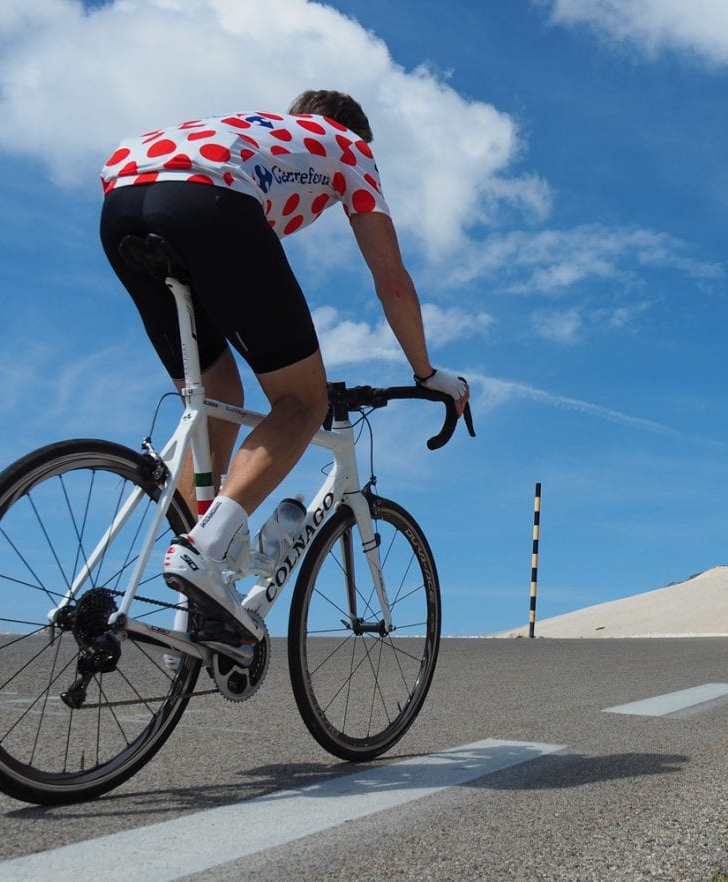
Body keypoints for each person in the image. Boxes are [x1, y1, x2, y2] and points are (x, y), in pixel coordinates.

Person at [98, 90, 468, 637]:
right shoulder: (349, 147)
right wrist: (426, 372)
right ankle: (203, 550)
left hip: (121, 197)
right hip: (210, 199)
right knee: (302, 400)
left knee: (217, 400)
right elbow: (391, 279)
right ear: (353, 132)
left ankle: (191, 583)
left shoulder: (259, 134)